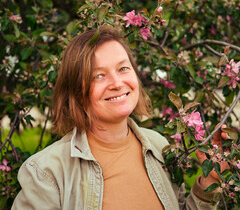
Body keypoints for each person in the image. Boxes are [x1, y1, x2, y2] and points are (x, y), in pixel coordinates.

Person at [12, 26, 227, 210]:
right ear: (77, 91)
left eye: (123, 68)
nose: (117, 83)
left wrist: (210, 181)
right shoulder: (45, 173)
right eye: (99, 75)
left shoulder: (161, 148)